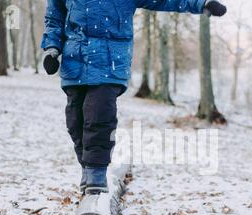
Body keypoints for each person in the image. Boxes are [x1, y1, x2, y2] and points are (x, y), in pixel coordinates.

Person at [41, 0, 227, 195]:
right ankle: (87, 169)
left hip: (109, 62)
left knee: (98, 115)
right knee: (75, 121)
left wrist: (202, 4)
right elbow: (54, 18)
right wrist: (52, 48)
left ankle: (96, 172)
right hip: (75, 62)